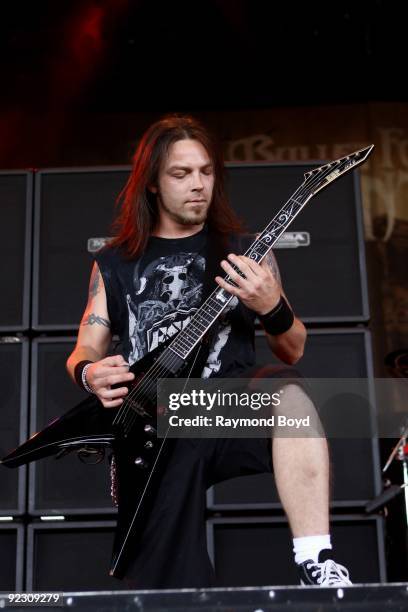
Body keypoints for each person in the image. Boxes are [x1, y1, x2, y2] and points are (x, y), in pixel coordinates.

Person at [66, 115, 352, 588]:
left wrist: (270, 304)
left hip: (226, 405)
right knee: (167, 585)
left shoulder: (246, 250)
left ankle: (315, 559)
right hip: (155, 423)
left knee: (290, 396)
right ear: (153, 184)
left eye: (206, 172)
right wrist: (90, 373)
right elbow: (85, 349)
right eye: (181, 174)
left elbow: (293, 349)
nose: (198, 185)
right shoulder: (115, 263)